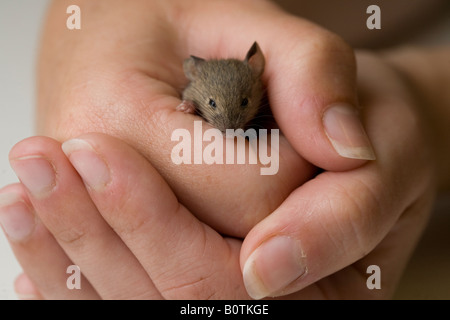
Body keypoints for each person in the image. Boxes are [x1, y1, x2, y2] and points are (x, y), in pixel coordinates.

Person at [0, 0, 449, 299]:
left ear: (257, 86)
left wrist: (428, 106)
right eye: (213, 106)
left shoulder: (262, 93)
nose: (231, 120)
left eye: (243, 105)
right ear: (195, 90)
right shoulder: (193, 91)